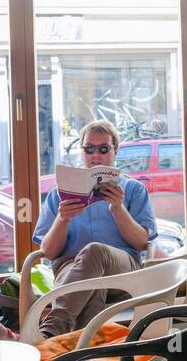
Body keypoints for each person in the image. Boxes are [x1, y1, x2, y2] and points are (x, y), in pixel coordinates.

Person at [32, 120, 157, 338]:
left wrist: (118, 209)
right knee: (92, 290)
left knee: (94, 251)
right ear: (82, 152)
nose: (95, 155)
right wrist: (62, 219)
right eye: (89, 149)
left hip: (122, 268)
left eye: (103, 148)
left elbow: (141, 243)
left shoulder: (134, 190)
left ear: (115, 151)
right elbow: (49, 252)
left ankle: (52, 329)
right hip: (71, 269)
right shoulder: (58, 194)